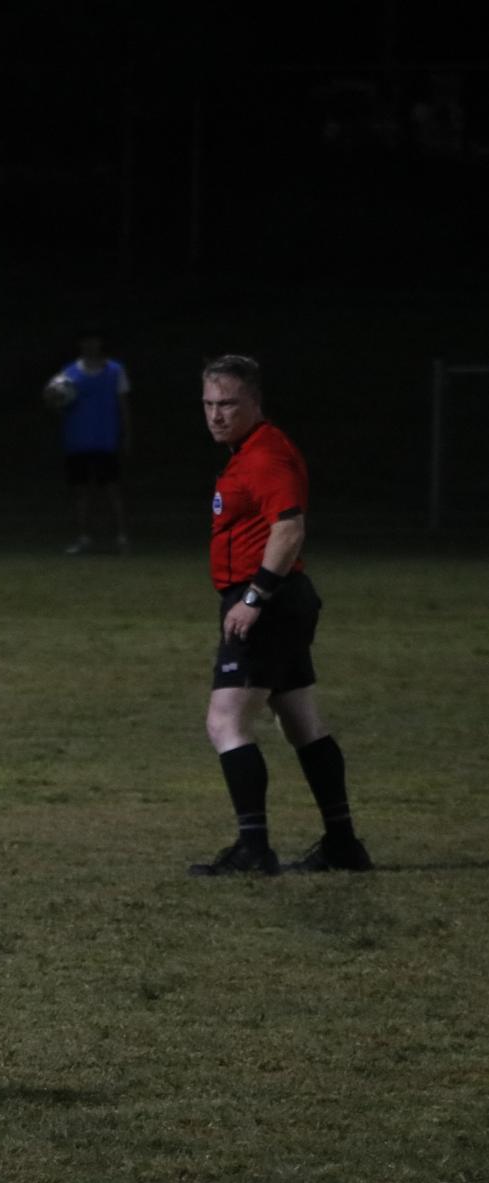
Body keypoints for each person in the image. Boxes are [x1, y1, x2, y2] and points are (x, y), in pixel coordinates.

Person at [191, 355, 371, 876]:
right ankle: (342, 844)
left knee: (225, 721)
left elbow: (289, 529)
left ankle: (254, 849)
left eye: (228, 404)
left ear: (254, 402)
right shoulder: (244, 452)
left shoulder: (266, 455)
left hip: (267, 602)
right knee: (302, 723)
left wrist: (253, 599)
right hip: (282, 600)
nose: (216, 415)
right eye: (208, 404)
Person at [48, 329, 132, 554]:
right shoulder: (68, 374)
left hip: (106, 440)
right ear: (81, 344)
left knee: (113, 490)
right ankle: (83, 537)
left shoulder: (115, 370)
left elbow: (123, 405)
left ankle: (121, 537)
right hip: (77, 441)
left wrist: (125, 433)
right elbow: (56, 403)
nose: (91, 345)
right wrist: (56, 401)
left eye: (95, 341)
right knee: (81, 492)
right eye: (87, 341)